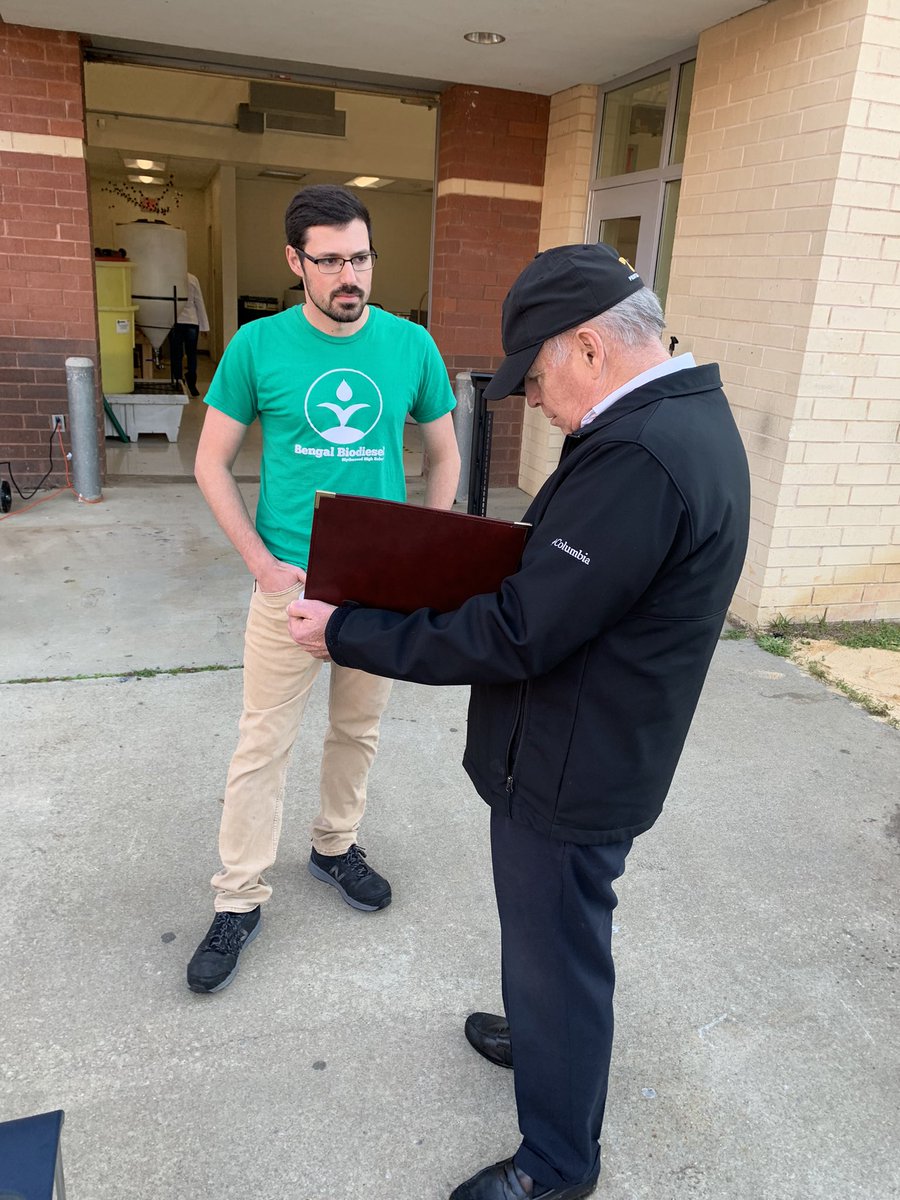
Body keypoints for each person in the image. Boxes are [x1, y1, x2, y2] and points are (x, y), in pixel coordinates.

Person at [286, 243, 751, 1200]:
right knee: (545, 942)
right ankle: (543, 1037)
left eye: (535, 378)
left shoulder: (642, 455)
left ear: (587, 347)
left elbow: (521, 630)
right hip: (586, 740)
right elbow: (554, 578)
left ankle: (556, 1163)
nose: (534, 400)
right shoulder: (672, 417)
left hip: (572, 762)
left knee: (561, 954)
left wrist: (355, 631)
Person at [187, 184, 460, 995]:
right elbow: (211, 462)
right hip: (289, 584)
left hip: (375, 592)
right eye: (331, 260)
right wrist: (262, 567)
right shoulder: (258, 347)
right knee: (261, 743)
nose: (351, 275)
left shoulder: (411, 348)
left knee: (358, 731)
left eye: (362, 257)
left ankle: (335, 846)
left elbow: (444, 456)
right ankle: (239, 898)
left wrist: (419, 553)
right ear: (294, 262)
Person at [170, 271, 209, 397]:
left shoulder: (171, 278)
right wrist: (204, 327)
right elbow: (199, 301)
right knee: (192, 353)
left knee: (176, 354)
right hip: (192, 321)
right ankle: (192, 381)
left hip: (176, 320)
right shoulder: (193, 278)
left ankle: (178, 381)